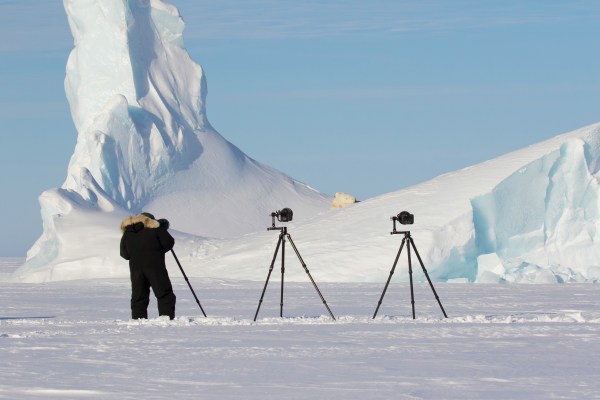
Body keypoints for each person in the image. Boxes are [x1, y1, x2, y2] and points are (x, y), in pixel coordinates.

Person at [120, 212, 176, 320]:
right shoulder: (155, 229)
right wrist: (162, 230)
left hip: (136, 269)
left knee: (139, 296)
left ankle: (138, 320)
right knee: (164, 293)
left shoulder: (128, 232)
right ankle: (166, 318)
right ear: (151, 221)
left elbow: (124, 254)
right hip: (155, 266)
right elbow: (168, 243)